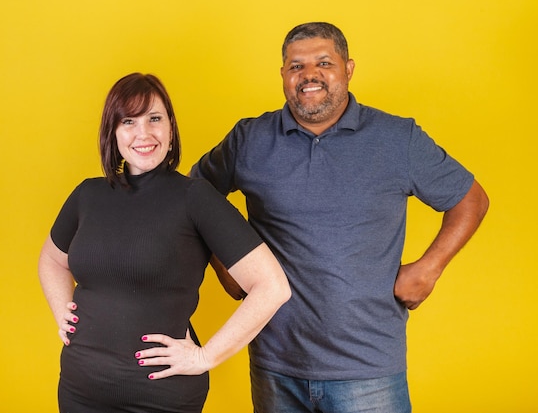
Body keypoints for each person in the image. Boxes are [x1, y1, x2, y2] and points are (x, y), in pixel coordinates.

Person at [187, 22, 489, 412]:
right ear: (283, 75)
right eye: (296, 66)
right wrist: (225, 266)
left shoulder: (398, 139)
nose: (309, 74)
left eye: (323, 62)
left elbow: (472, 199)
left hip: (369, 369)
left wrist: (429, 269)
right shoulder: (250, 139)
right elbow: (192, 200)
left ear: (348, 69)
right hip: (275, 364)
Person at [38, 72, 290, 413]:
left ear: (170, 128)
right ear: (113, 133)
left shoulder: (195, 197)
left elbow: (272, 286)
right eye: (128, 121)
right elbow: (52, 260)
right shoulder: (87, 195)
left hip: (159, 398)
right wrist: (61, 313)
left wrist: (205, 356)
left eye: (154, 118)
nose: (144, 133)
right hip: (80, 390)